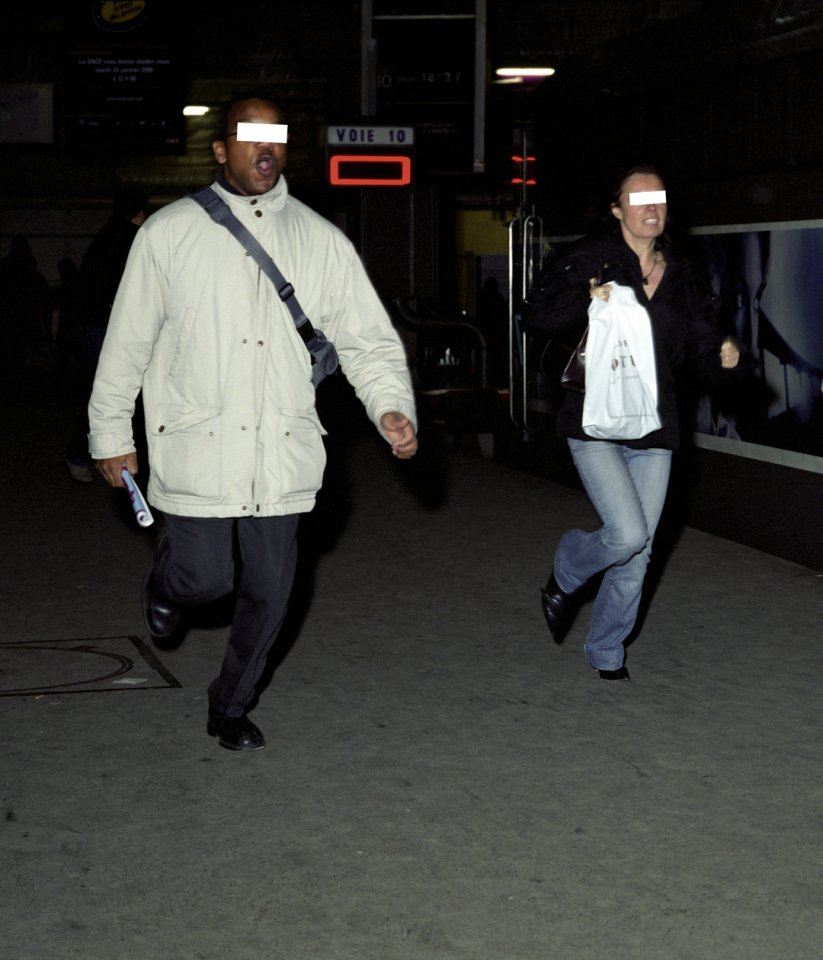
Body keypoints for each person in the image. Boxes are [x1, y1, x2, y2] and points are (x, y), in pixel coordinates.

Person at [88, 97, 418, 750]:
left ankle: (229, 705)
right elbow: (126, 342)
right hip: (197, 440)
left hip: (281, 447)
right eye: (250, 137)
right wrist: (110, 436)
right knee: (205, 578)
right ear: (220, 150)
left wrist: (390, 405)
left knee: (271, 594)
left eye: (276, 138)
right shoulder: (168, 234)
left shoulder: (319, 239)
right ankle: (166, 582)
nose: (265, 149)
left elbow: (365, 339)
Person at [525, 164, 740, 681]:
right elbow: (536, 317)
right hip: (594, 422)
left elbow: (700, 339)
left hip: (655, 426)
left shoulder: (683, 273)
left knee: (639, 553)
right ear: (617, 208)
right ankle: (567, 570)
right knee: (625, 534)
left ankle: (606, 650)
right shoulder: (588, 258)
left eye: (659, 199)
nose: (652, 208)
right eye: (638, 199)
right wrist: (585, 296)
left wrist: (723, 353)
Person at [64, 185, 148, 482]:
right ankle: (79, 454)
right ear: (140, 213)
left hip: (89, 323)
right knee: (108, 394)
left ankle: (84, 454)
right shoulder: (131, 238)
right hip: (101, 325)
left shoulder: (106, 235)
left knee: (105, 393)